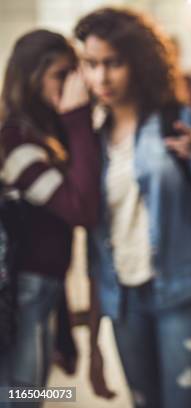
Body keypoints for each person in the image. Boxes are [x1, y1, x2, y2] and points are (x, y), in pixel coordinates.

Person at [75, 8, 191, 408]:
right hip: (124, 303)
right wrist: (93, 344)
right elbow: (94, 247)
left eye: (113, 63)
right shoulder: (90, 140)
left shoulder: (176, 122)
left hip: (182, 292)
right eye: (91, 65)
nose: (101, 78)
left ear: (138, 62)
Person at [0, 29, 101, 401]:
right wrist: (77, 119)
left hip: (44, 289)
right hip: (26, 291)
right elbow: (81, 209)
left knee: (34, 393)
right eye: (62, 74)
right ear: (31, 77)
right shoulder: (15, 141)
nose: (74, 84)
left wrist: (65, 337)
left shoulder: (45, 132)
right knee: (20, 395)